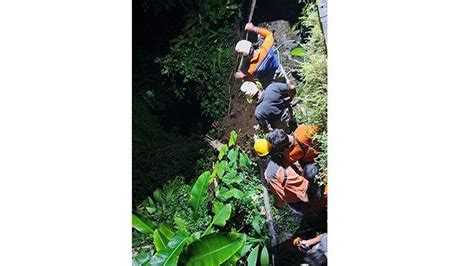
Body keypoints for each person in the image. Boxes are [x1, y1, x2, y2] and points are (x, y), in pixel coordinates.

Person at [235, 22, 284, 88]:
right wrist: (253, 28)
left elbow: (251, 79)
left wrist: (242, 76)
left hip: (269, 85)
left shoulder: (251, 69)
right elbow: (269, 34)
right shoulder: (266, 48)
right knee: (285, 87)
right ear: (251, 46)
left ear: (245, 56)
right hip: (279, 72)